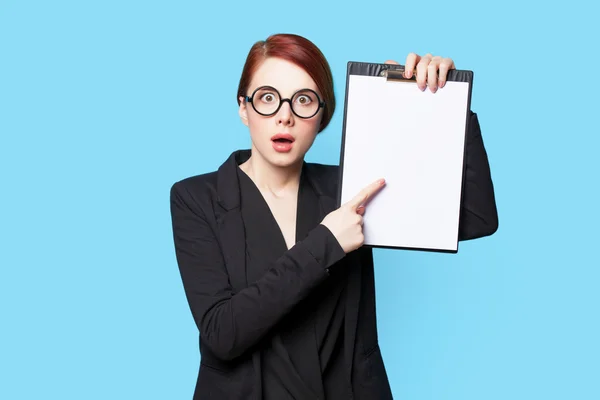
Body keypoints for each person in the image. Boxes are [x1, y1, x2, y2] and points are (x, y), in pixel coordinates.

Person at [170, 33, 498, 400]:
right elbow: (223, 334)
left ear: (322, 114)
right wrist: (326, 243)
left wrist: (446, 104)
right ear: (243, 108)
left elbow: (475, 218)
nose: (285, 115)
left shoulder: (352, 189)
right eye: (266, 98)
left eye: (304, 100)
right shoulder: (197, 198)